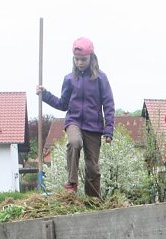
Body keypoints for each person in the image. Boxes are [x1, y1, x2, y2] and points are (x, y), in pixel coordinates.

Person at [37, 37, 115, 198]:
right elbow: (62, 104)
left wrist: (109, 129)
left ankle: (93, 199)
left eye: (83, 59)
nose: (80, 63)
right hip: (74, 121)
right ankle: (71, 182)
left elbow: (108, 104)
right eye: (77, 59)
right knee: (74, 142)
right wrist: (45, 95)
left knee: (92, 167)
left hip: (94, 126)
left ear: (91, 58)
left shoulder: (101, 78)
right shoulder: (69, 79)